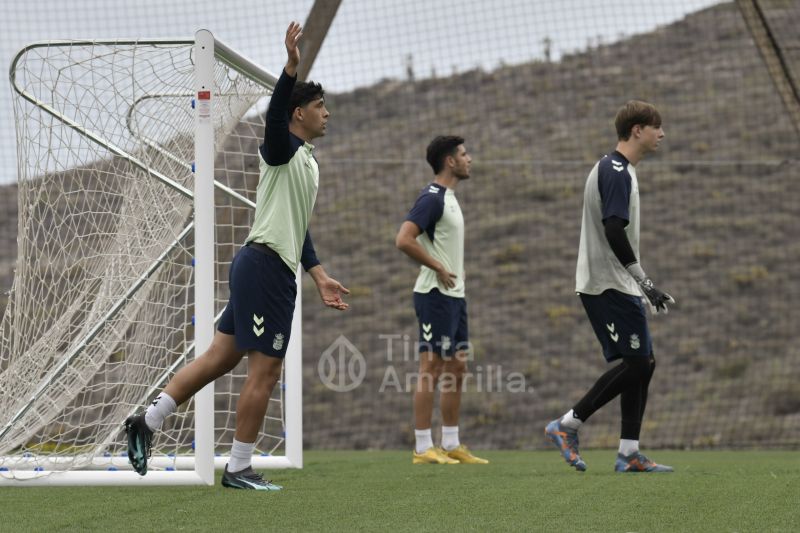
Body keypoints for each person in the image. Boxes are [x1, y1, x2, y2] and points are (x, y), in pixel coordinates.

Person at [124, 22, 349, 490]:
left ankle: (147, 421)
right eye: (320, 106)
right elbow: (271, 122)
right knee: (264, 370)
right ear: (297, 113)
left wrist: (320, 276)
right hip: (265, 269)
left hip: (266, 267)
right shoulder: (282, 148)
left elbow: (298, 228)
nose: (327, 113)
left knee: (219, 357)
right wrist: (289, 69)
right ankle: (240, 467)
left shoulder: (307, 160)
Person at [545, 100, 675, 473]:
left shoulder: (622, 169)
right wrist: (645, 281)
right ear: (637, 130)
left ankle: (629, 453)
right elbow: (613, 228)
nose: (662, 134)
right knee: (638, 363)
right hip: (606, 283)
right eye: (657, 127)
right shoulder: (615, 170)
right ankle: (567, 425)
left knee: (644, 363)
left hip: (616, 283)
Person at [395, 136, 488, 465]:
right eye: (464, 154)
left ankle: (450, 443)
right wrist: (437, 266)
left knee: (458, 367)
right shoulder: (432, 197)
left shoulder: (450, 198)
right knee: (430, 367)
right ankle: (423, 447)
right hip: (434, 294)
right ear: (450, 161)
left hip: (454, 296)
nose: (469, 159)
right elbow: (403, 239)